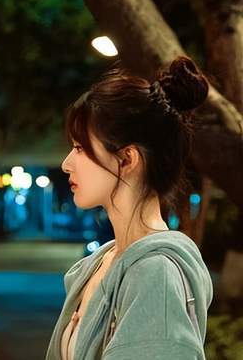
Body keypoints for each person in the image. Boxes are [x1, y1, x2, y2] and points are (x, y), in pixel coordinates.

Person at [45, 56, 214, 359]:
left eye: (80, 148)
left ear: (127, 159)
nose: (66, 164)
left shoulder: (156, 273)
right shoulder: (103, 261)